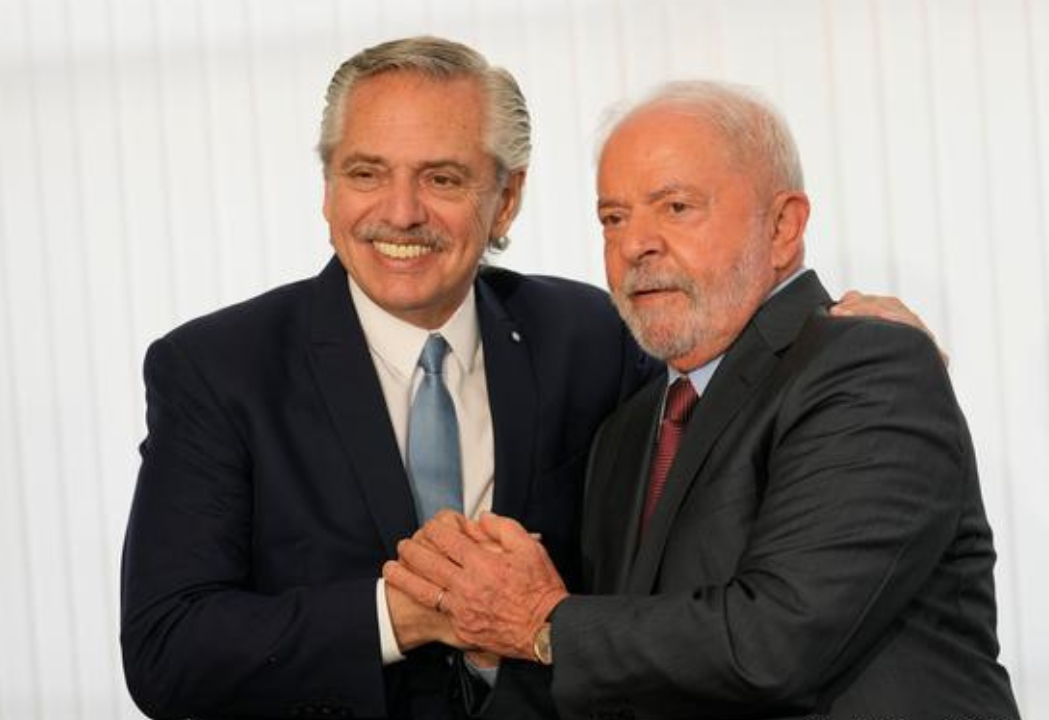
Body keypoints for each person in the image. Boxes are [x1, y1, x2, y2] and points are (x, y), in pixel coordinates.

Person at [120, 36, 934, 719]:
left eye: (442, 178)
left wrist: (855, 337)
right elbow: (166, 650)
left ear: (506, 199)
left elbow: (743, 422)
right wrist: (398, 616)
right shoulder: (217, 368)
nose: (399, 212)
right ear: (328, 188)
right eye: (366, 173)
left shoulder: (595, 336)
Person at [385, 81, 1021, 719]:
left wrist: (539, 623)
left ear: (783, 226)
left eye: (676, 207)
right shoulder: (629, 430)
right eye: (613, 218)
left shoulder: (869, 365)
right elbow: (620, 674)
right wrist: (491, 634)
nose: (635, 244)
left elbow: (775, 643)